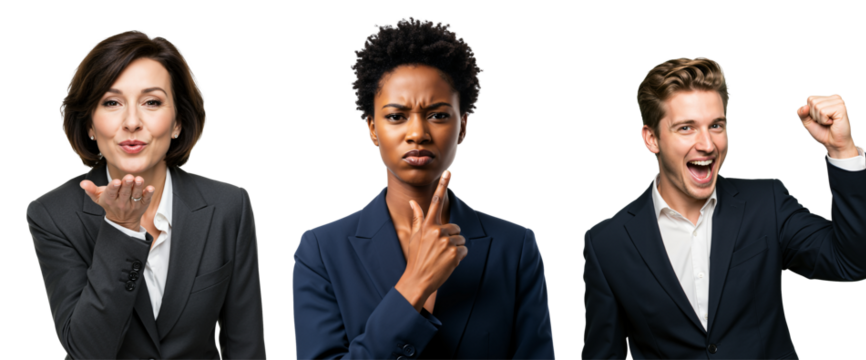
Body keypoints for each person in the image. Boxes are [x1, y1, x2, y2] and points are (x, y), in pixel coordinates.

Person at [580, 56, 866, 359]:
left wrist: (841, 149)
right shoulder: (607, 243)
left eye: (716, 125)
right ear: (651, 138)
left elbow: (857, 262)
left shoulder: (768, 202)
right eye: (686, 128)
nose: (707, 144)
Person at [291, 16, 555, 359]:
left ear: (464, 128)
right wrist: (414, 284)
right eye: (396, 116)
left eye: (438, 115)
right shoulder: (321, 251)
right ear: (372, 128)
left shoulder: (516, 248)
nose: (417, 133)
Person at [25, 30, 267, 359]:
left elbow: (246, 347)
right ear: (91, 126)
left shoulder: (228, 206)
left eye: (152, 102)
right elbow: (87, 351)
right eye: (112, 103)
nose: (132, 122)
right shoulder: (53, 214)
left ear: (178, 122)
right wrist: (121, 229)